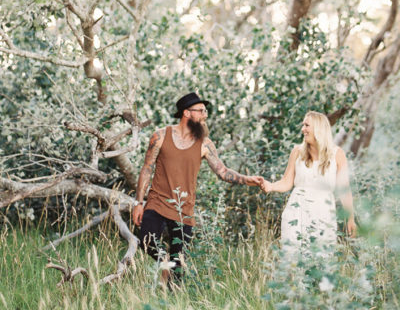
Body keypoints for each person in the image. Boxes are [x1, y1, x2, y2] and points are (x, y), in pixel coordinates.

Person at [132, 92, 264, 287]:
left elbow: (222, 171)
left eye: (205, 111)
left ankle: (173, 304)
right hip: (157, 201)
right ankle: (164, 264)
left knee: (179, 266)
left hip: (184, 209)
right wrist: (139, 203)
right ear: (186, 113)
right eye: (201, 111)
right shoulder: (160, 136)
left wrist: (248, 180)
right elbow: (147, 168)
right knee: (146, 239)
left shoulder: (205, 144)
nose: (205, 115)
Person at [262, 111, 356, 256]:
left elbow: (344, 190)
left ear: (318, 129)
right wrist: (271, 186)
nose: (302, 129)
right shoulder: (297, 152)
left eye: (307, 125)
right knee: (293, 260)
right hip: (296, 212)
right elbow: (287, 182)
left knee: (322, 261)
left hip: (324, 214)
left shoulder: (337, 154)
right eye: (303, 125)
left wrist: (350, 218)